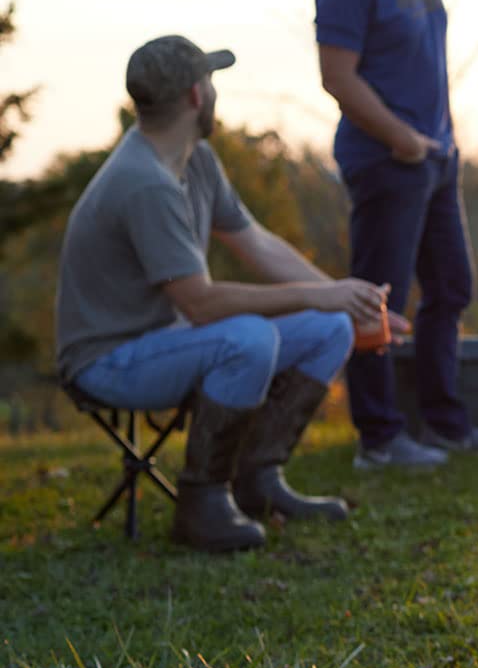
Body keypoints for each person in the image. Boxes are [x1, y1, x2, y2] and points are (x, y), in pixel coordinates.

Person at [55, 36, 396, 551]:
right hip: (108, 361)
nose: (214, 94)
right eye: (211, 82)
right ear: (196, 95)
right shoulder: (144, 182)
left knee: (329, 327)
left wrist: (347, 298)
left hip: (169, 341)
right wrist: (313, 294)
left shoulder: (196, 161)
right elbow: (202, 303)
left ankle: (258, 482)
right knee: (249, 339)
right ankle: (202, 504)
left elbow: (256, 243)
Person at [315, 0, 478, 469]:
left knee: (452, 287)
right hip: (385, 161)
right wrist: (401, 138)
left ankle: (445, 424)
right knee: (378, 300)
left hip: (436, 158)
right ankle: (377, 439)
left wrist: (439, 141)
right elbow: (337, 78)